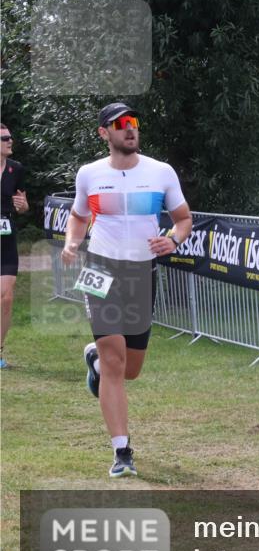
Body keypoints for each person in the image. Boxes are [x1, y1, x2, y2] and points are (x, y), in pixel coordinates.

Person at [61, 102, 192, 478]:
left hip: (141, 273)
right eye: (120, 124)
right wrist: (73, 242)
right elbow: (79, 215)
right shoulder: (89, 174)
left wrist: (174, 239)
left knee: (130, 368)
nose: (129, 129)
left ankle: (95, 364)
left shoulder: (160, 172)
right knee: (116, 361)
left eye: (133, 122)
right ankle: (122, 452)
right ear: (105, 133)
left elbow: (183, 219)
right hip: (99, 269)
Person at [0, 123, 29, 369]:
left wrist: (23, 206)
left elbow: (23, 205)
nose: (10, 141)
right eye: (5, 138)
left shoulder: (16, 169)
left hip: (6, 238)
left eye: (10, 137)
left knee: (7, 297)